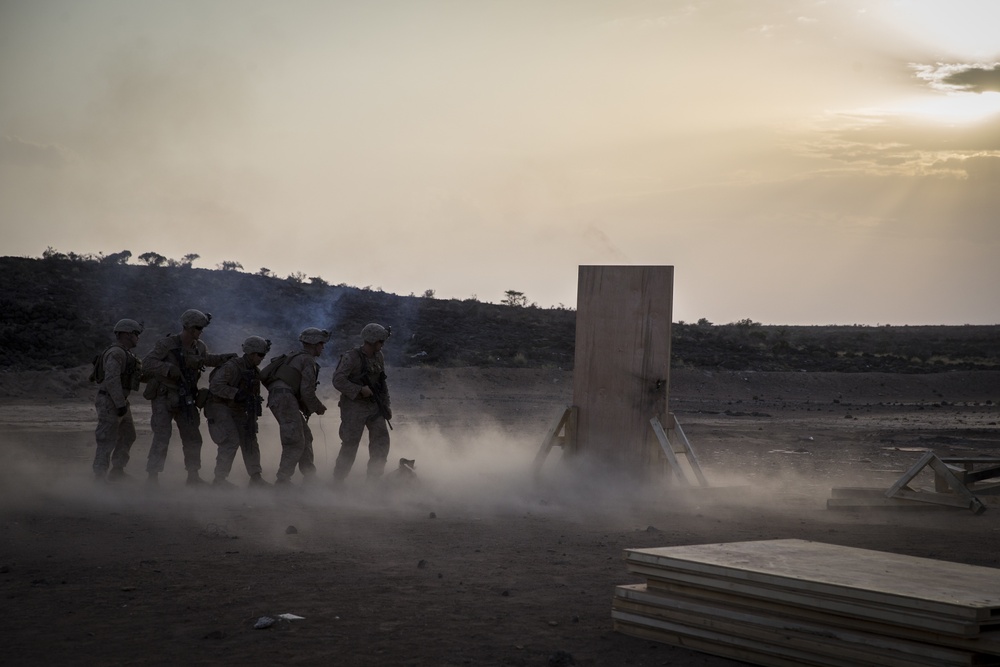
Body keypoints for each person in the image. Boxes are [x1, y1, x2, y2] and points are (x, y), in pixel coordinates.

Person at [141, 309, 235, 486]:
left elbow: (205, 360)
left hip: (187, 397)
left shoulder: (199, 347)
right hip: (164, 395)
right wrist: (168, 369)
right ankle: (152, 477)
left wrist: (223, 358)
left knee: (193, 437)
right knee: (162, 436)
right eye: (198, 328)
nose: (201, 331)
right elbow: (147, 363)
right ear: (188, 327)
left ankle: (193, 476)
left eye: (202, 328)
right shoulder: (167, 344)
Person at [263, 327, 329, 486]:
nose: (323, 347)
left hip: (281, 398)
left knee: (305, 435)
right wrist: (317, 407)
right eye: (321, 343)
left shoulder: (294, 356)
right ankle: (283, 480)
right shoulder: (307, 360)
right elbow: (307, 391)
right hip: (285, 399)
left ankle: (309, 476)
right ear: (314, 344)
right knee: (295, 440)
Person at [205, 335, 272, 489]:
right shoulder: (232, 367)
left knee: (250, 439)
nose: (262, 358)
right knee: (230, 440)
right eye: (260, 355)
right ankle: (219, 480)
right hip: (220, 406)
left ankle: (255, 477)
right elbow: (215, 386)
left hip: (238, 409)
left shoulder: (253, 371)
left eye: (263, 355)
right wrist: (236, 393)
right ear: (251, 353)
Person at [331, 323, 392, 483]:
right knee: (350, 444)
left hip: (374, 406)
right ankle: (338, 481)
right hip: (354, 406)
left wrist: (386, 405)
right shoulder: (351, 357)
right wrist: (359, 389)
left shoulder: (379, 357)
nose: (382, 344)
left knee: (381, 441)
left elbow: (382, 382)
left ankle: (373, 481)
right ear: (372, 341)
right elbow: (338, 380)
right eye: (381, 341)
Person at [92, 319, 144, 482]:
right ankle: (99, 478)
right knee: (106, 439)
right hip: (111, 401)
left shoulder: (125, 353)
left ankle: (117, 471)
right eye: (136, 334)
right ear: (127, 334)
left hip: (119, 401)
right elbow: (112, 379)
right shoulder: (116, 353)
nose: (137, 337)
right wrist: (120, 404)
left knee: (128, 435)